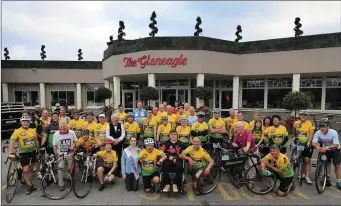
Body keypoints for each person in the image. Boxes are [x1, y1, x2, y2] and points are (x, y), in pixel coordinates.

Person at [8, 116, 39, 195]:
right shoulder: (17, 131)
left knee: (31, 168)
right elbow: (11, 142)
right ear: (21, 123)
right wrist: (11, 153)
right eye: (24, 122)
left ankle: (30, 183)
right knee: (25, 170)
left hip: (33, 152)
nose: (26, 123)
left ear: (29, 123)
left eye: (27, 122)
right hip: (23, 153)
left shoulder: (32, 130)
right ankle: (29, 185)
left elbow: (36, 141)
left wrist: (38, 150)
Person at [311, 119, 341, 190]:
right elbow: (313, 142)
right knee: (327, 164)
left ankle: (339, 181)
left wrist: (326, 147)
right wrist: (317, 147)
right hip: (325, 149)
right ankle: (327, 178)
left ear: (327, 127)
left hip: (335, 148)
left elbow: (336, 144)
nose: (322, 129)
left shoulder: (333, 132)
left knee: (337, 165)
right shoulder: (318, 132)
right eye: (321, 127)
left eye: (324, 127)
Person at [292, 110, 315, 184]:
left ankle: (307, 176)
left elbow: (311, 133)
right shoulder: (296, 123)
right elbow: (294, 131)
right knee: (301, 158)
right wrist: (295, 138)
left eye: (305, 115)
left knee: (307, 160)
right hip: (300, 144)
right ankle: (301, 173)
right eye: (302, 115)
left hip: (307, 144)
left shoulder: (310, 123)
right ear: (299, 115)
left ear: (306, 116)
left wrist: (309, 142)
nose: (303, 116)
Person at [53, 122, 78, 191]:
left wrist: (73, 146)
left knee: (70, 168)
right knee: (60, 168)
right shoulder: (56, 134)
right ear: (59, 128)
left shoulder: (72, 133)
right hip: (61, 155)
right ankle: (61, 184)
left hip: (70, 154)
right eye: (61, 127)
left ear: (67, 127)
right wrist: (56, 155)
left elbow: (75, 141)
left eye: (64, 127)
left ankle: (68, 178)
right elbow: (54, 146)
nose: (62, 128)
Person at [106, 113, 126, 177]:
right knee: (112, 157)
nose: (115, 119)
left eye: (117, 118)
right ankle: (112, 172)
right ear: (112, 119)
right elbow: (107, 135)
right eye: (114, 118)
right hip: (112, 144)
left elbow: (123, 134)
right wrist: (114, 140)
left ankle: (119, 172)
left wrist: (118, 140)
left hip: (119, 144)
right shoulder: (109, 125)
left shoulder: (121, 125)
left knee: (119, 157)